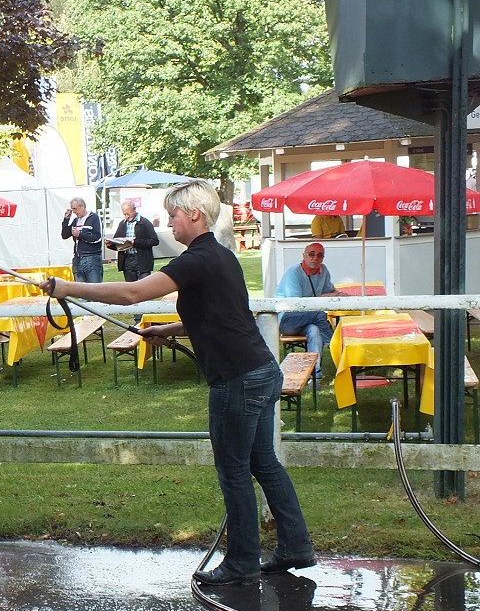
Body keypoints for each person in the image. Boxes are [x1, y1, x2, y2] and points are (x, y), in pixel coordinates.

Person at [41, 180, 314, 586]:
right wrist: (166, 330)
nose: (169, 221)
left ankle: (242, 561)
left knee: (235, 471)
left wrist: (68, 288)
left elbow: (132, 293)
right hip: (261, 371)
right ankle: (295, 546)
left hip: (237, 379)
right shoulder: (221, 257)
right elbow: (219, 316)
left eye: (173, 214)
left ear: (194, 215)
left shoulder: (195, 260)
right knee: (263, 464)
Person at [276, 242, 338, 378]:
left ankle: (314, 374)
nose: (315, 257)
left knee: (314, 330)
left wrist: (340, 295)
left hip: (307, 319)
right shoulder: (293, 273)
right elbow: (296, 304)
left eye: (320, 255)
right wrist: (322, 297)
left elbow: (330, 290)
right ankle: (334, 344)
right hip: (287, 319)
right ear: (304, 256)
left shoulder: (324, 270)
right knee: (319, 313)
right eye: (311, 254)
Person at [109, 200, 159, 281]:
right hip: (127, 260)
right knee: (130, 288)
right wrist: (110, 244)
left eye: (128, 213)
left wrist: (135, 242)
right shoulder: (122, 224)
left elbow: (154, 241)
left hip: (141, 260)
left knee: (144, 288)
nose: (126, 216)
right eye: (124, 214)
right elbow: (118, 242)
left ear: (134, 210)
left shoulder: (144, 223)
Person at [60, 198, 103, 283]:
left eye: (75, 209)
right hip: (78, 259)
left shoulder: (94, 218)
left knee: (94, 290)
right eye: (72, 209)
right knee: (80, 291)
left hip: (91, 258)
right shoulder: (76, 220)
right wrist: (66, 220)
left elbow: (97, 238)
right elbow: (64, 235)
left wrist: (80, 234)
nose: (74, 212)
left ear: (82, 206)